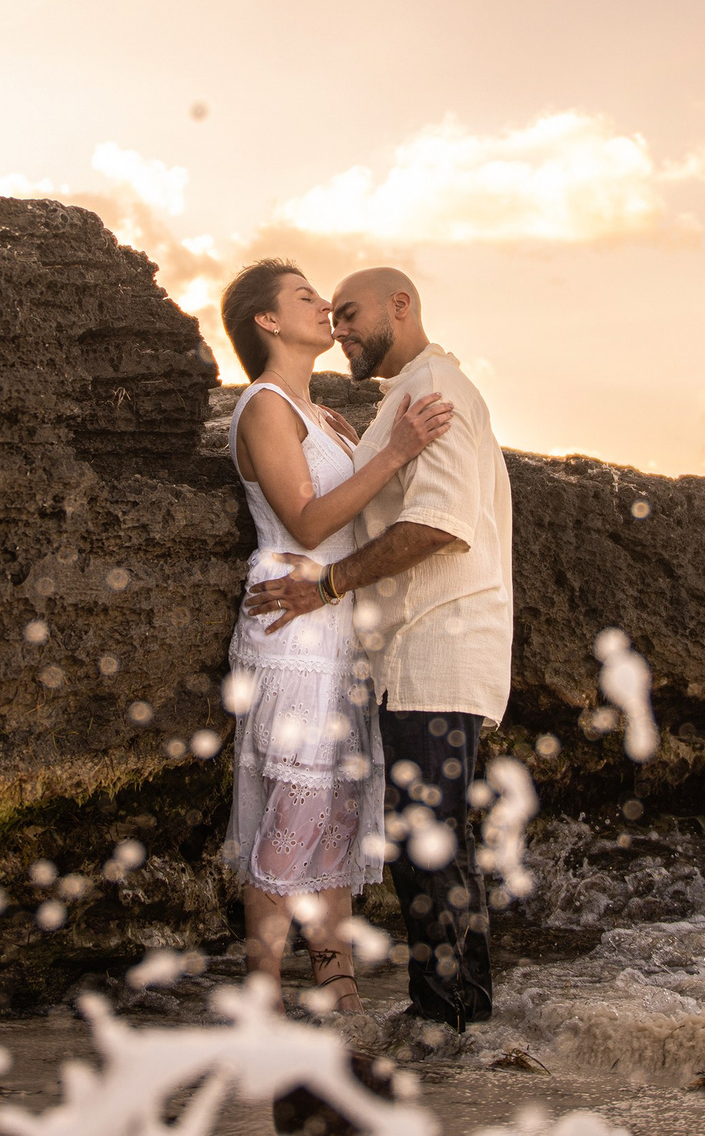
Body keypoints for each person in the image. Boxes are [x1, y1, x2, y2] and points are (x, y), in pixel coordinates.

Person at [245, 268, 512, 1031]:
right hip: (413, 648)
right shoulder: (398, 400)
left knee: (429, 835)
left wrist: (328, 584)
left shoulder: (438, 392)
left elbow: (438, 525)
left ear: (403, 305)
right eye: (332, 313)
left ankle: (446, 1018)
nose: (341, 326)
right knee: (434, 833)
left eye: (353, 313)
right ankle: (461, 1015)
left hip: (440, 642)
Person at [218, 258, 453, 1014]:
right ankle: (261, 990)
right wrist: (393, 453)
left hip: (338, 627)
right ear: (267, 322)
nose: (326, 308)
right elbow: (311, 521)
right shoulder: (264, 406)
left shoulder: (326, 416)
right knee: (296, 805)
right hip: (292, 628)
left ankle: (334, 975)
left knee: (342, 805)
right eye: (306, 297)